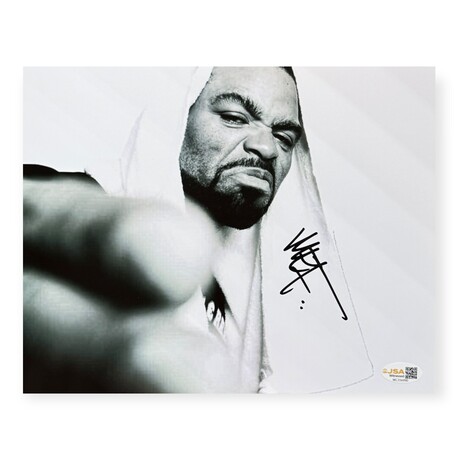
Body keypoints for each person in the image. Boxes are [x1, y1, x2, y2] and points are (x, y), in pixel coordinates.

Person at [23, 67, 373, 393]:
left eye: (283, 137)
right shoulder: (60, 218)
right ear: (177, 115)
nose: (267, 148)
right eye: (235, 118)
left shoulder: (257, 298)